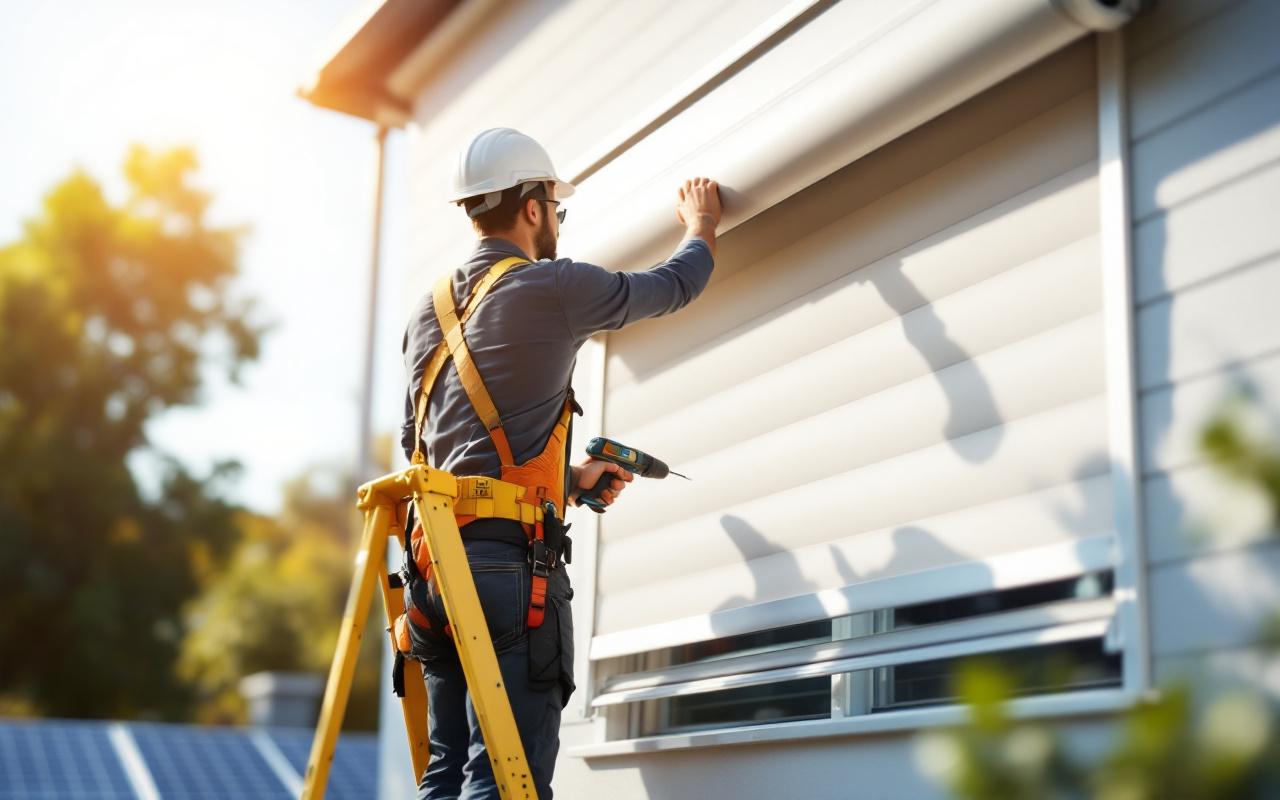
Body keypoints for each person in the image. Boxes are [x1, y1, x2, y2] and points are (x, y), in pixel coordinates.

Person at [399, 126, 721, 800]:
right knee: (502, 782)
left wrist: (566, 483)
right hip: (507, 576)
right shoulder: (552, 286)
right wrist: (702, 223)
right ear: (534, 206)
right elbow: (673, 285)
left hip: (432, 571)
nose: (556, 225)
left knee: (443, 776)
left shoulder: (424, 317)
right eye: (556, 209)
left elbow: (422, 450)